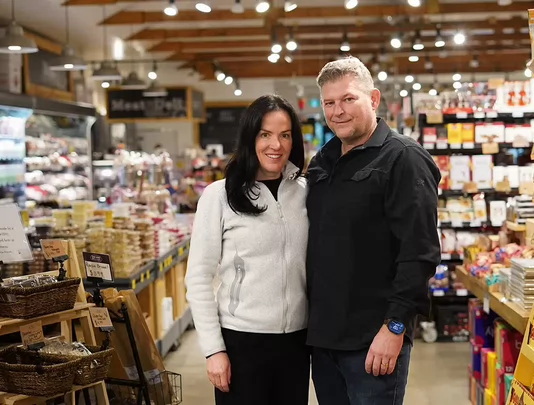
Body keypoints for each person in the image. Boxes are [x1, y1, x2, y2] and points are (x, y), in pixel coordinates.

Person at [305, 56, 441, 404]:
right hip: (324, 341)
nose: (338, 111)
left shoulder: (404, 158)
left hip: (373, 341)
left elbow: (420, 252)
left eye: (349, 99)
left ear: (374, 99)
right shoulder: (322, 163)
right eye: (329, 103)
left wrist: (395, 327)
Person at [185, 94, 310, 405]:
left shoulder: (306, 193)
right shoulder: (219, 196)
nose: (276, 145)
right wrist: (214, 350)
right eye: (265, 134)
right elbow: (198, 278)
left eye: (285, 135)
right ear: (249, 137)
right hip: (241, 343)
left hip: (297, 344)